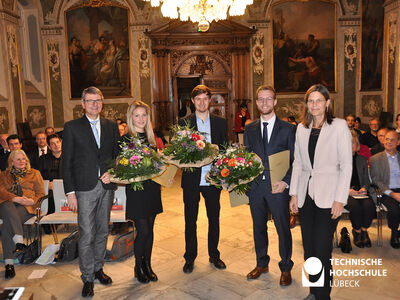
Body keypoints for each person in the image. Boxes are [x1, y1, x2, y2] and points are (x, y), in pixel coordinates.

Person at [289, 84, 352, 300]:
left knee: (322, 251)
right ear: (306, 104)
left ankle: (324, 296)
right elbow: (298, 162)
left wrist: (340, 199)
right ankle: (314, 292)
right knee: (309, 250)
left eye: (318, 100)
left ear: (327, 103)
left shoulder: (340, 126)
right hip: (306, 196)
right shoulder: (301, 128)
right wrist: (295, 194)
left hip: (329, 198)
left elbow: (346, 166)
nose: (314, 105)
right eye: (310, 101)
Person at [62, 86, 120, 297]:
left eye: (98, 100)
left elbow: (116, 156)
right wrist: (70, 192)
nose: (95, 104)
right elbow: (66, 162)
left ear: (102, 103)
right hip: (84, 189)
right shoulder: (72, 127)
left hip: (106, 186)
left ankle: (98, 269)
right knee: (87, 233)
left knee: (103, 230)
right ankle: (87, 277)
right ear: (83, 104)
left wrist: (112, 173)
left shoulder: (111, 126)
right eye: (91, 100)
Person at [244, 85, 295, 285]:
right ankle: (261, 263)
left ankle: (285, 267)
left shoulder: (289, 129)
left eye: (268, 99)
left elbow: (296, 160)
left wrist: (287, 182)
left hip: (278, 188)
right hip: (256, 188)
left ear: (275, 102)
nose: (264, 103)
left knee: (283, 228)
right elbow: (247, 157)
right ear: (256, 103)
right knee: (258, 227)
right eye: (261, 99)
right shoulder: (250, 128)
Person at [179, 85, 228, 274]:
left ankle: (214, 255)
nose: (201, 102)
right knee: (190, 221)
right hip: (192, 179)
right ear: (192, 102)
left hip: (212, 179)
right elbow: (180, 151)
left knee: (214, 219)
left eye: (205, 98)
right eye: (198, 99)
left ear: (210, 100)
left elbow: (224, 151)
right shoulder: (184, 124)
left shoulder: (220, 123)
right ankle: (189, 257)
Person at [123, 101, 162, 283]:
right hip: (137, 191)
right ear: (131, 117)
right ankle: (138, 266)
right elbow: (121, 167)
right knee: (143, 230)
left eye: (144, 115)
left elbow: (156, 166)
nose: (141, 119)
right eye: (137, 115)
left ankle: (148, 265)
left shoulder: (151, 138)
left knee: (151, 230)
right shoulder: (125, 140)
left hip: (152, 189)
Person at [0, 149, 45, 279]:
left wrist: (32, 201)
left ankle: (9, 264)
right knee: (7, 205)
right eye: (18, 159)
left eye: (23, 159)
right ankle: (19, 241)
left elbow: (40, 193)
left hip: (26, 207)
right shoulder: (4, 175)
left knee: (7, 225)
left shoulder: (35, 173)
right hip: (6, 205)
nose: (22, 161)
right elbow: (1, 192)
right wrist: (15, 198)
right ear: (12, 162)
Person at [345, 130, 376, 248]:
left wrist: (364, 187)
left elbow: (367, 181)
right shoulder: (338, 160)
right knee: (356, 207)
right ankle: (356, 232)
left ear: (356, 145)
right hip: (345, 192)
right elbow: (334, 182)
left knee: (369, 206)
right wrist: (348, 191)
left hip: (360, 191)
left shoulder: (362, 159)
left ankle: (364, 230)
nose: (350, 145)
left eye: (352, 143)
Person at [370, 130, 400, 249]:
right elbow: (376, 180)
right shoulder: (375, 159)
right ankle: (394, 233)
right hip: (386, 191)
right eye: (387, 139)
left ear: (398, 142)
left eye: (393, 139)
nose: (389, 142)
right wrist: (393, 194)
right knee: (394, 209)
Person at [38, 134, 63, 232]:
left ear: (61, 143)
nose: (56, 145)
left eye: (57, 142)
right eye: (52, 144)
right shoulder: (43, 159)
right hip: (49, 191)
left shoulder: (69, 157)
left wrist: (58, 186)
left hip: (65, 190)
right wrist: (48, 185)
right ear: (49, 147)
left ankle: (57, 222)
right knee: (48, 230)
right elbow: (39, 178)